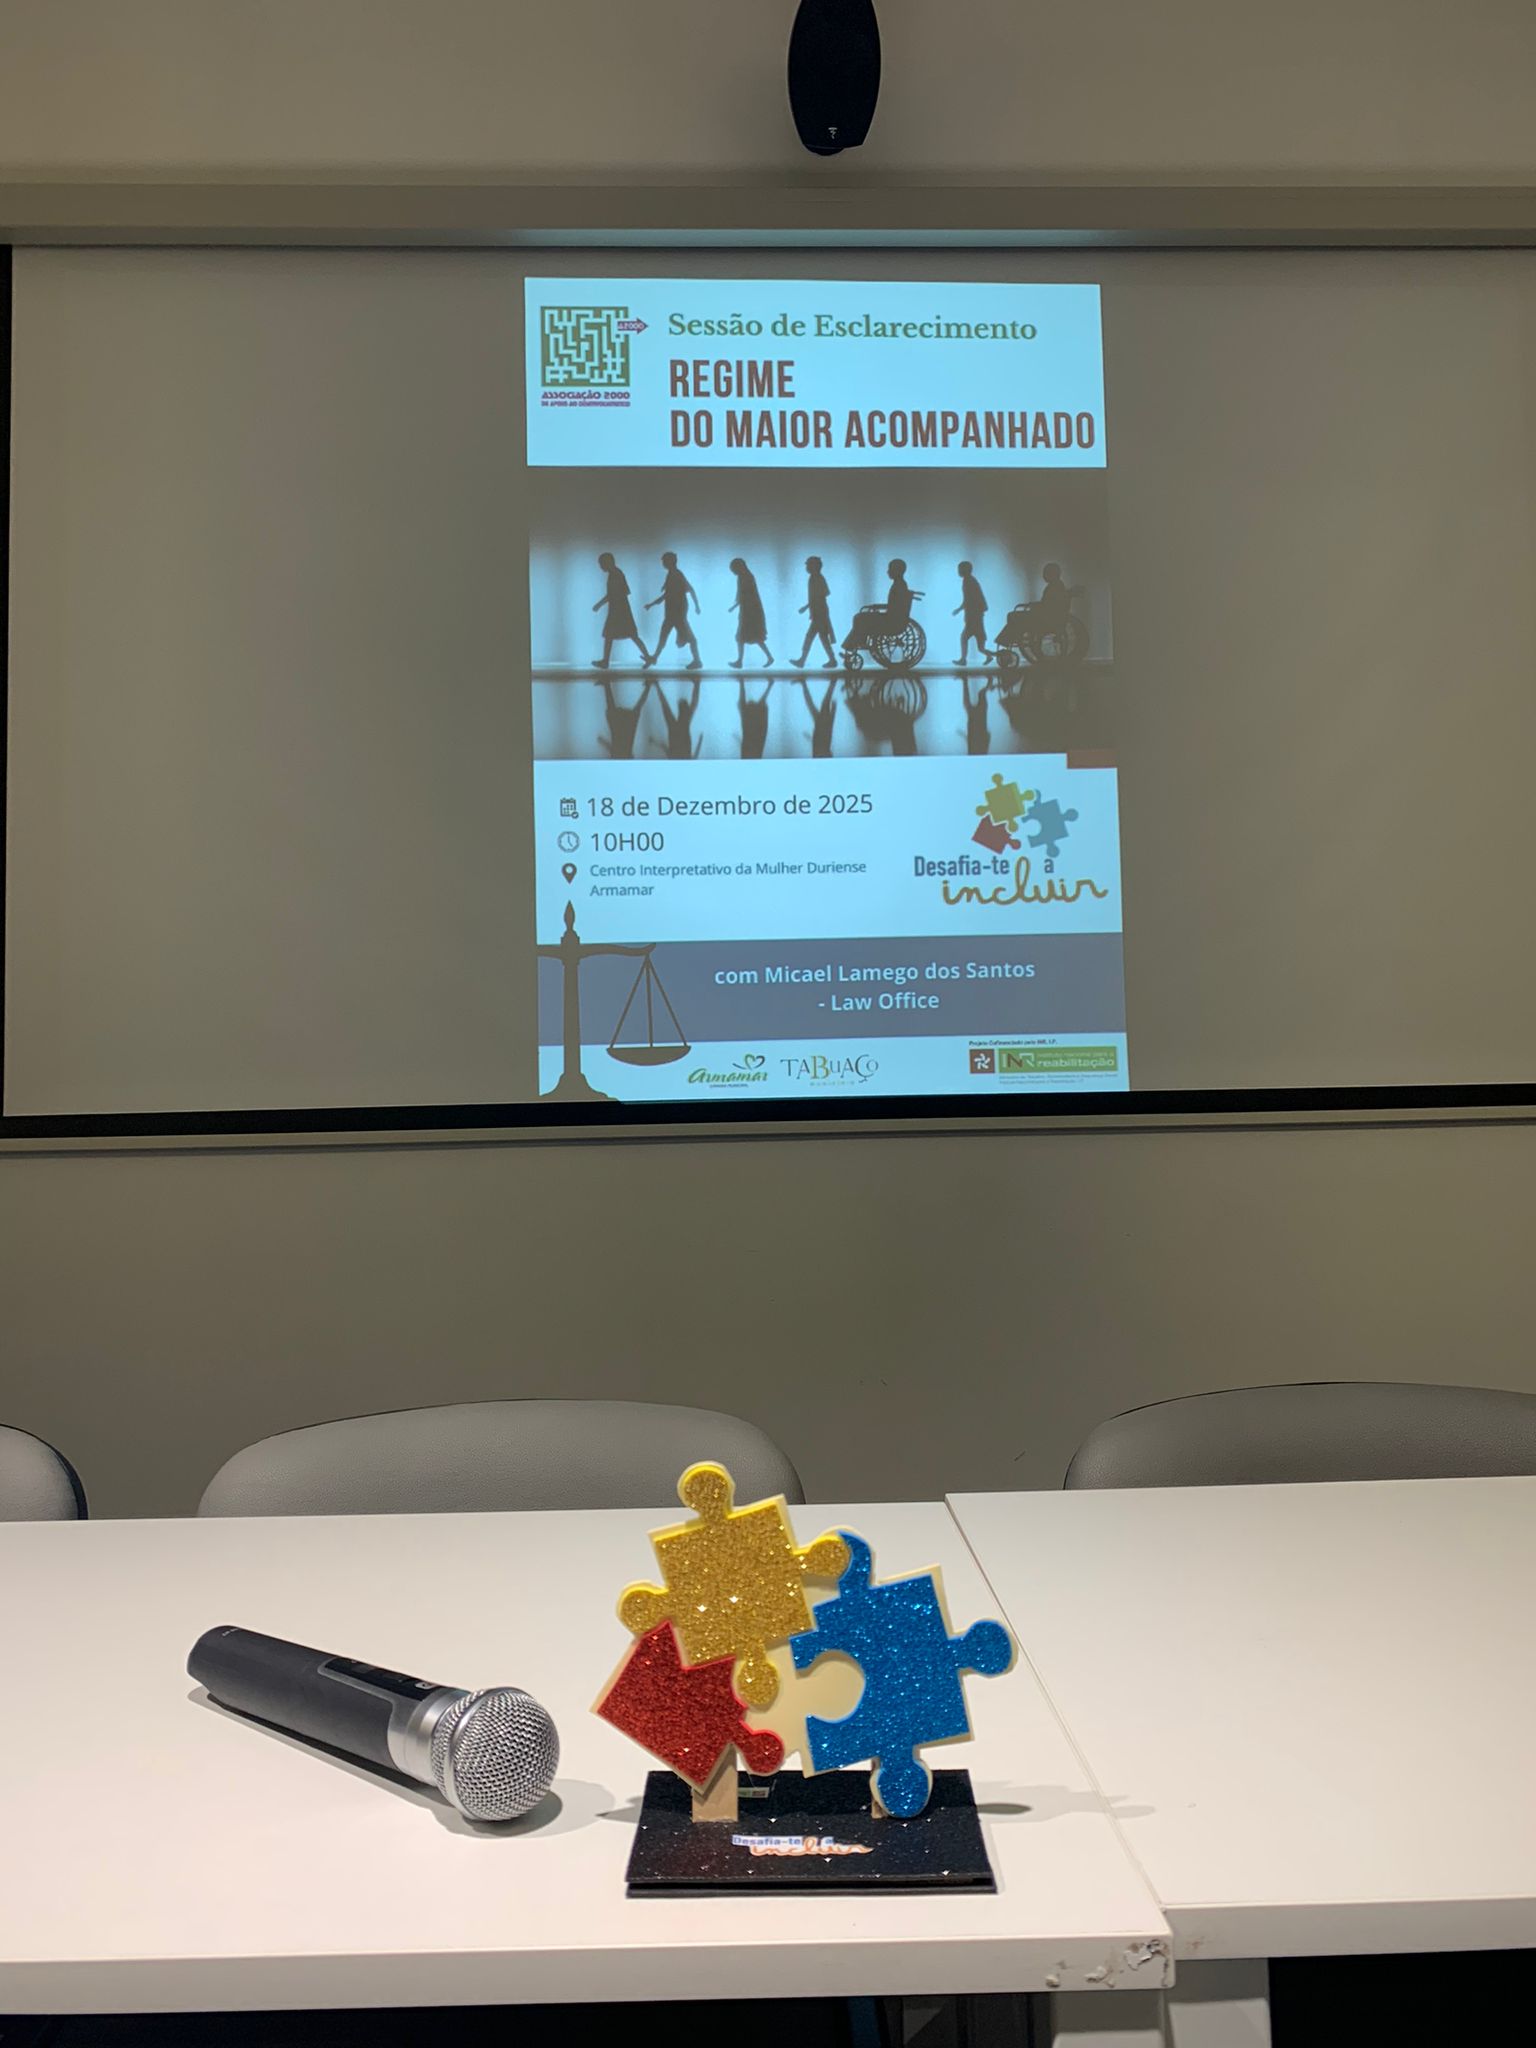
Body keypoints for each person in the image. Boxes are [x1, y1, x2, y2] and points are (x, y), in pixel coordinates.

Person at [592, 553, 650, 669]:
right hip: (620, 608)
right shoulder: (616, 573)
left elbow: (613, 594)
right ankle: (647, 657)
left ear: (608, 563)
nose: (601, 566)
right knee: (624, 635)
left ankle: (606, 661)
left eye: (602, 564)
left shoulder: (615, 575)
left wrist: (599, 604)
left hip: (619, 610)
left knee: (617, 635)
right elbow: (624, 591)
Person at [645, 551, 701, 669]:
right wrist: (652, 604)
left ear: (669, 562)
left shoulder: (676, 575)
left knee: (688, 637)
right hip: (672, 613)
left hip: (677, 613)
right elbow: (668, 594)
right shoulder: (672, 574)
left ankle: (697, 660)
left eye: (664, 561)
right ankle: (655, 657)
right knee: (665, 635)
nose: (663, 563)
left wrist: (697, 606)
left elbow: (688, 590)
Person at [728, 557, 773, 668]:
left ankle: (740, 661)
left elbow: (745, 595)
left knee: (745, 636)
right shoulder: (744, 576)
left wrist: (734, 607)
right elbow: (742, 595)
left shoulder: (746, 577)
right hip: (749, 611)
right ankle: (767, 657)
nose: (733, 572)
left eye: (733, 569)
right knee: (752, 637)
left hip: (750, 612)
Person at [794, 555, 837, 669]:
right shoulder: (815, 578)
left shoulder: (817, 578)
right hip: (819, 611)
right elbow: (820, 595)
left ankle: (802, 660)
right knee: (822, 638)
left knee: (811, 637)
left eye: (808, 565)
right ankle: (832, 660)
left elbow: (822, 594)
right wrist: (808, 607)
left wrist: (806, 607)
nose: (807, 567)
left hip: (820, 612)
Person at [596, 676, 651, 759]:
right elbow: (613, 750)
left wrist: (603, 742)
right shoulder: (618, 758)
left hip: (625, 733)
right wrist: (603, 742)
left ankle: (648, 686)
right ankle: (606, 684)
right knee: (612, 708)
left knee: (636, 709)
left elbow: (619, 752)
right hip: (621, 732)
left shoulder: (623, 758)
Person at [653, 676, 702, 760]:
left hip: (679, 736)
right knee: (666, 708)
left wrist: (700, 741)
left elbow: (695, 757)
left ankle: (697, 683)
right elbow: (665, 748)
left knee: (666, 708)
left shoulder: (685, 761)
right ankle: (656, 684)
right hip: (676, 735)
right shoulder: (675, 760)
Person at [953, 560, 991, 666]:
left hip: (974, 616)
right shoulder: (970, 580)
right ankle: (989, 656)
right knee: (980, 647)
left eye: (960, 569)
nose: (958, 571)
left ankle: (963, 659)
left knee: (964, 637)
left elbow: (968, 600)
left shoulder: (968, 582)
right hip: (976, 615)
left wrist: (958, 610)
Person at [798, 677, 838, 757]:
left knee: (813, 703)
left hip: (819, 724)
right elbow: (830, 729)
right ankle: (833, 682)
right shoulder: (821, 750)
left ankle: (803, 683)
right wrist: (834, 709)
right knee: (822, 702)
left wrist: (833, 710)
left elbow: (827, 732)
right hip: (823, 723)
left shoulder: (819, 751)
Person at [738, 677, 774, 758]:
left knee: (746, 708)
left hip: (752, 737)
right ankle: (742, 682)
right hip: (754, 736)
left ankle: (742, 682)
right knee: (748, 708)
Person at [961, 674, 991, 755]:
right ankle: (965, 680)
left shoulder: (978, 750)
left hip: (976, 720)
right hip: (977, 720)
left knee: (979, 695)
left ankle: (965, 680)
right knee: (979, 695)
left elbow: (988, 736)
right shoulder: (975, 751)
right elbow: (987, 736)